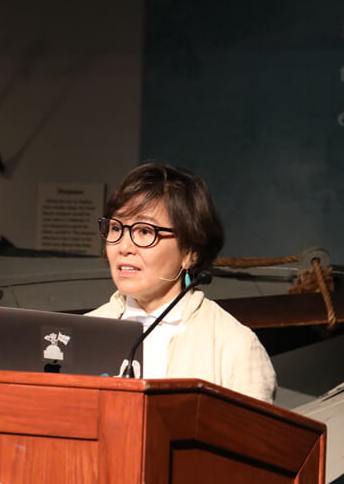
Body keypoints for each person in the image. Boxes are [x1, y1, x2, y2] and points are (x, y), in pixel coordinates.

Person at [87, 161, 276, 403]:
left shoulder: (235, 346)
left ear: (189, 252)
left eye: (144, 231)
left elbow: (252, 438)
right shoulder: (83, 333)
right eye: (116, 228)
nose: (124, 246)